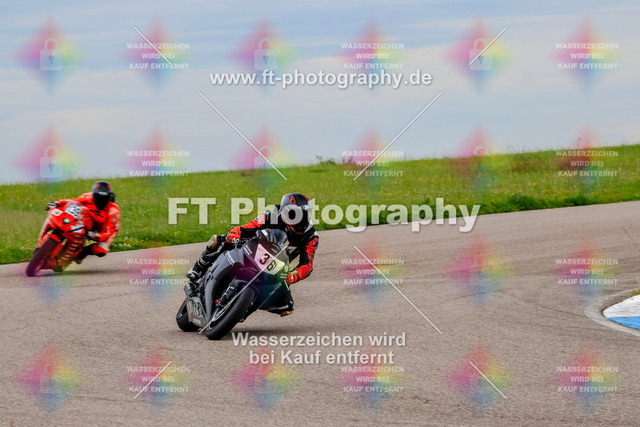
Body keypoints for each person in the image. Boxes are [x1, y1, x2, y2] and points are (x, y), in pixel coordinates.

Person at [186, 193, 319, 317]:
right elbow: (250, 226)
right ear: (284, 211)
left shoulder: (311, 237)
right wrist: (237, 232)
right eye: (294, 214)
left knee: (286, 306)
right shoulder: (272, 215)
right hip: (253, 248)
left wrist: (293, 275)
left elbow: (307, 265)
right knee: (220, 241)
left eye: (304, 214)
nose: (300, 219)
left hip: (276, 267)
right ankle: (198, 268)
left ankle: (242, 309)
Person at [46, 181, 120, 263]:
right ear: (94, 195)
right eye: (98, 198)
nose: (101, 201)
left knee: (101, 250)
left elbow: (108, 231)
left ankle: (81, 254)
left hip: (106, 230)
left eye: (104, 199)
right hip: (90, 222)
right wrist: (57, 203)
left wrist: (97, 236)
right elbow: (73, 201)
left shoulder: (113, 211)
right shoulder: (88, 197)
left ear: (108, 198)